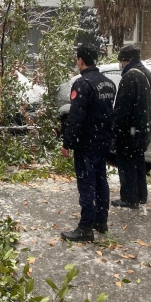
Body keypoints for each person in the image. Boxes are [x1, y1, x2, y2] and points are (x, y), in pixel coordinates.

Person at [60, 44, 116, 242]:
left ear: (81, 60)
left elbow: (76, 117)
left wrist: (67, 143)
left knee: (86, 184)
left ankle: (85, 228)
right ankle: (100, 221)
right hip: (102, 142)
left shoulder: (83, 84)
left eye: (77, 60)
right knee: (101, 182)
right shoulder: (109, 84)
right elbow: (109, 114)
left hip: (86, 143)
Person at [111, 45, 151, 209]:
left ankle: (129, 198)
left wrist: (116, 130)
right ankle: (141, 195)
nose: (121, 64)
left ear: (127, 60)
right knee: (138, 161)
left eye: (121, 61)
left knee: (126, 162)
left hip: (130, 131)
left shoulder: (130, 77)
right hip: (143, 128)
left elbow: (123, 109)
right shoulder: (148, 75)